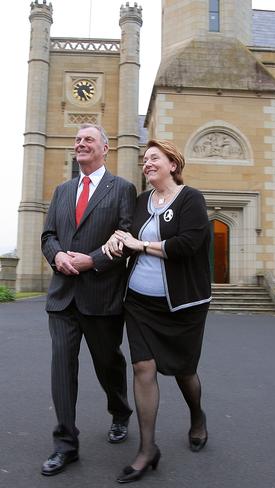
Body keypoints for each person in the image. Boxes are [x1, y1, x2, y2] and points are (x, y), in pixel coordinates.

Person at [103, 139, 212, 484]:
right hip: (139, 302)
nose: (147, 163)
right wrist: (116, 241)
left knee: (184, 370)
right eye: (144, 159)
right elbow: (128, 237)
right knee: (142, 367)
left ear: (173, 165)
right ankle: (148, 449)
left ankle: (197, 416)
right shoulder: (140, 201)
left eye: (154, 158)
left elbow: (188, 245)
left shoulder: (191, 199)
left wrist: (142, 245)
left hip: (181, 305)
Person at [40, 124, 136, 476]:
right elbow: (48, 234)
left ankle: (120, 411)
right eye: (77, 140)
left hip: (102, 296)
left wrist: (91, 260)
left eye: (88, 139)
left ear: (105, 148)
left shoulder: (122, 188)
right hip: (62, 298)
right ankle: (65, 443)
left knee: (108, 364)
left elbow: (125, 238)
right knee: (62, 370)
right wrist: (57, 256)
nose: (80, 144)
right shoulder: (62, 191)